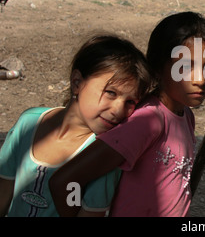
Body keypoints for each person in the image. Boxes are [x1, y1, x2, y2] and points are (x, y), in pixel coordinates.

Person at [50, 11, 205, 217]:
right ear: (158, 68)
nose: (201, 80)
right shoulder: (147, 121)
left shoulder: (185, 115)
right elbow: (66, 181)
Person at [0, 34, 151, 217]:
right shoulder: (28, 123)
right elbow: (4, 192)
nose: (118, 110)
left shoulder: (100, 155)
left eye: (130, 102)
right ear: (77, 82)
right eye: (111, 93)